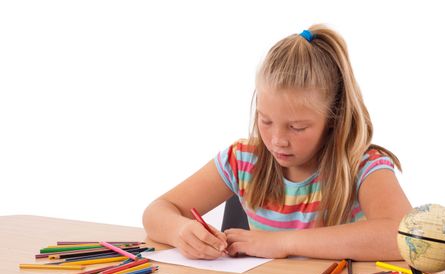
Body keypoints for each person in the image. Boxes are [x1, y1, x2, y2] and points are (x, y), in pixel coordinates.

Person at [143, 24, 412, 261]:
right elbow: (157, 211)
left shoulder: (361, 165)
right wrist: (180, 231)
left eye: (297, 127)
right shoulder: (242, 160)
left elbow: (403, 236)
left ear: (334, 117)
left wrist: (282, 242)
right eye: (266, 120)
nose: (277, 140)